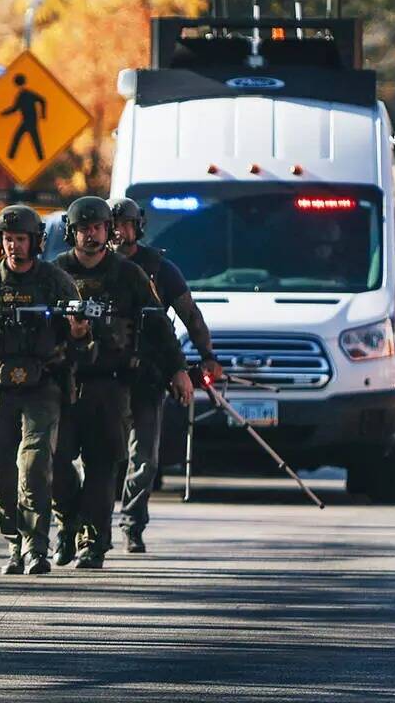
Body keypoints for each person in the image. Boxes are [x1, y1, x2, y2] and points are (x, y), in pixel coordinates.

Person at [0, 205, 88, 575]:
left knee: (35, 464)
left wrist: (78, 331)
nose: (13, 247)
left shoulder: (55, 281)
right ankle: (14, 542)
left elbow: (84, 343)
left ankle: (36, 547)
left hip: (43, 387)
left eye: (20, 239)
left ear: (35, 242)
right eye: (7, 239)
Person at [51, 196, 191, 569]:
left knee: (102, 466)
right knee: (54, 462)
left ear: (107, 231)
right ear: (72, 232)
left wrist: (179, 370)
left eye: (98, 228)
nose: (91, 235)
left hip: (109, 386)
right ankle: (67, 524)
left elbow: (160, 325)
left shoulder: (129, 275)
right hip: (63, 384)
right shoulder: (54, 273)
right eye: (84, 229)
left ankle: (93, 543)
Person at [108, 196, 223, 553]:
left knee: (144, 459)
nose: (117, 232)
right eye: (110, 225)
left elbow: (191, 315)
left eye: (124, 224)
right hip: (99, 376)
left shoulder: (158, 268)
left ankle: (132, 523)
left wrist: (206, 356)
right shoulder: (90, 266)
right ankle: (88, 524)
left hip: (146, 375)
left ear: (137, 226)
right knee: (97, 454)